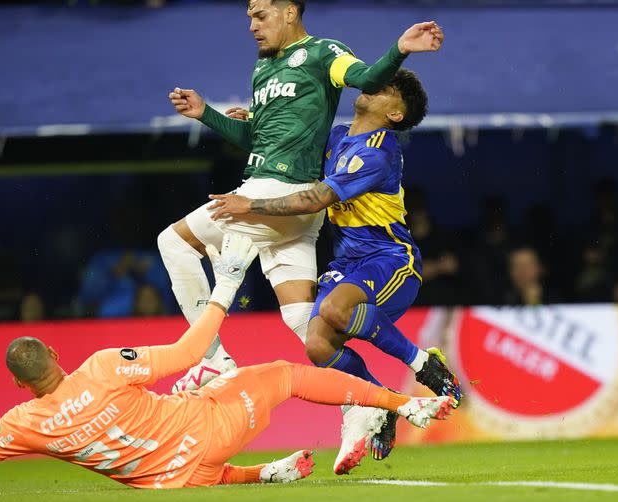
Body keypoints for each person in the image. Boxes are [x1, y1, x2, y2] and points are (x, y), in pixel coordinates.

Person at [0, 234, 457, 488]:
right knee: (287, 374)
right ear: (53, 353)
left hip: (175, 478)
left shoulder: (21, 425)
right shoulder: (101, 367)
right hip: (211, 429)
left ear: (16, 383)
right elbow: (187, 347)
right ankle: (402, 404)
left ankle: (265, 475)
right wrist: (226, 284)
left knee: (175, 442)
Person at [162, 0, 444, 392]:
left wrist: (400, 49)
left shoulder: (326, 56)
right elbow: (266, 140)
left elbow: (367, 75)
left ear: (289, 12)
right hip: (313, 225)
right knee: (307, 328)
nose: (252, 26)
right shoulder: (281, 83)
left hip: (307, 210)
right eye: (249, 17)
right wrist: (208, 114)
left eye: (260, 16)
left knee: (173, 242)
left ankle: (211, 359)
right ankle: (375, 405)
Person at [206, 69, 461, 475]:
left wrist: (250, 205)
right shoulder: (340, 134)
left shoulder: (379, 153)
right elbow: (295, 143)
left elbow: (317, 198)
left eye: (387, 89)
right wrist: (254, 122)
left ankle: (423, 364)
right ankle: (381, 401)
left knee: (336, 311)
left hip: (390, 258)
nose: (372, 87)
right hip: (346, 263)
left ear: (395, 114)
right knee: (317, 345)